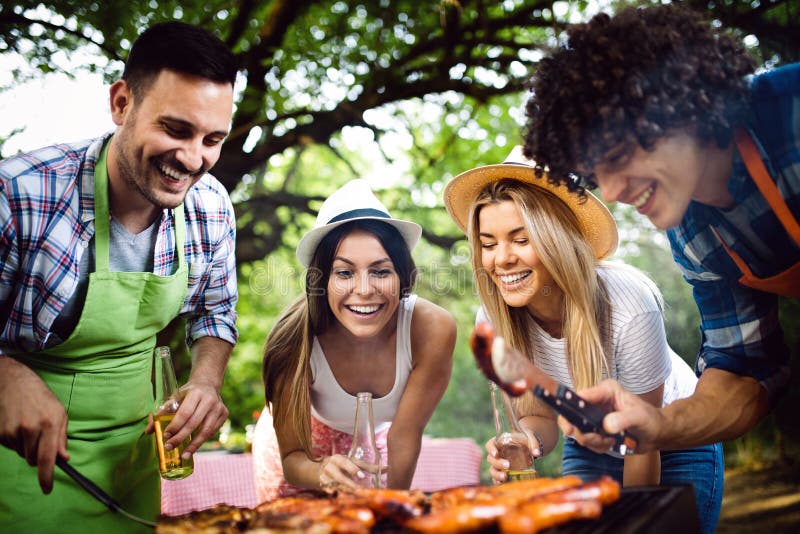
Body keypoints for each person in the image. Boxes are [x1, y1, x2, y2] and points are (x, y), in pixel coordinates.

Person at [521, 3, 798, 457]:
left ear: (676, 104)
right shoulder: (694, 240)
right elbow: (747, 370)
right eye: (594, 172)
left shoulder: (791, 112)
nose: (608, 191)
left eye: (617, 154)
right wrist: (657, 424)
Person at [0, 21, 238, 532]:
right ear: (122, 103)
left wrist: (205, 381)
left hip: (133, 471)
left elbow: (215, 312)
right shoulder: (20, 194)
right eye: (176, 130)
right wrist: (4, 374)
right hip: (22, 471)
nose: (193, 159)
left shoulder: (212, 207)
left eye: (212, 139)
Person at [443, 147, 724, 533]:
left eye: (520, 239)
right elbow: (539, 415)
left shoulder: (629, 303)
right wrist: (527, 441)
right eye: (488, 244)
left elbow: (643, 442)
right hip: (587, 440)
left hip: (671, 440)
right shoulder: (492, 321)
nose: (501, 259)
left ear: (557, 239)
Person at [252, 179, 455, 502]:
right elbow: (293, 459)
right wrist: (320, 471)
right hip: (301, 456)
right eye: (344, 273)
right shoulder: (292, 340)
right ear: (321, 280)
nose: (364, 289)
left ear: (402, 276)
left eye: (381, 271)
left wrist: (393, 513)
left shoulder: (431, 329)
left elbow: (403, 436)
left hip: (372, 444)